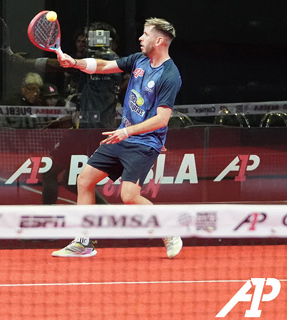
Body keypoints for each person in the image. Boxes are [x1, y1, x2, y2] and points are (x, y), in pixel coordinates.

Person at [51, 18, 183, 259]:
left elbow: (162, 120)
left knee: (129, 196)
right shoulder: (138, 60)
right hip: (121, 136)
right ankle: (83, 242)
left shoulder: (170, 75)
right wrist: (75, 62)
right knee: (85, 180)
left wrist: (127, 131)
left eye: (145, 35)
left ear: (159, 40)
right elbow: (103, 66)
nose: (141, 38)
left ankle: (169, 230)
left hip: (145, 142)